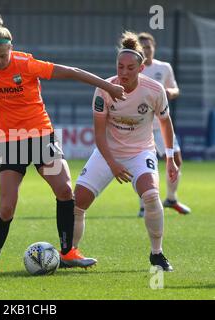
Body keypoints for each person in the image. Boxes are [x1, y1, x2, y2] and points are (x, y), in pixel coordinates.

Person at [0, 14, 126, 275]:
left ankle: (68, 252)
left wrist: (108, 87)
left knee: (65, 190)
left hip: (41, 136)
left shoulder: (26, 64)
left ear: (11, 48)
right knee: (7, 206)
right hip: (11, 142)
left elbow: (72, 72)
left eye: (3, 55)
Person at [72, 31, 177, 271]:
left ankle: (157, 254)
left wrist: (170, 158)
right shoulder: (104, 89)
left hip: (141, 152)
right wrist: (113, 164)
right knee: (77, 203)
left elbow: (165, 122)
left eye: (130, 68)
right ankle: (70, 252)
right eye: (120, 67)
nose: (124, 72)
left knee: (151, 196)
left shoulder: (154, 90)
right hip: (107, 151)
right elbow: (99, 135)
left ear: (141, 69)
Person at [137, 32, 191, 216]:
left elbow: (175, 88)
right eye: (142, 47)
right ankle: (144, 206)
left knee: (176, 160)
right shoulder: (135, 69)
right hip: (141, 126)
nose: (145, 50)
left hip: (161, 125)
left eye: (148, 47)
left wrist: (170, 92)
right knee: (142, 164)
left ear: (154, 48)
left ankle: (171, 198)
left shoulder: (164, 67)